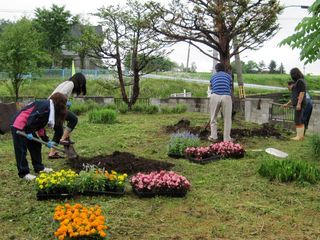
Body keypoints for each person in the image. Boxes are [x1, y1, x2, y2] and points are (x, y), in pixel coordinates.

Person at [11, 93, 67, 180]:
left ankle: (39, 167)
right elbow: (32, 117)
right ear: (58, 102)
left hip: (28, 127)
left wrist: (46, 140)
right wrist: (29, 132)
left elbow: (40, 125)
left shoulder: (49, 110)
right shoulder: (45, 105)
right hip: (19, 126)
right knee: (21, 149)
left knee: (36, 145)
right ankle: (24, 173)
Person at [48, 72, 87, 159]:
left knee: (58, 130)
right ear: (79, 81)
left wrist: (65, 106)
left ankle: (52, 153)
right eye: (81, 84)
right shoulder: (71, 84)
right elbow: (60, 95)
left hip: (51, 106)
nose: (81, 86)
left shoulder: (66, 82)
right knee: (73, 119)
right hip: (55, 107)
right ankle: (63, 139)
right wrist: (64, 105)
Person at [208, 63, 233, 142]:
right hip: (226, 96)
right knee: (227, 118)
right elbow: (230, 87)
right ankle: (227, 139)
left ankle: (214, 136)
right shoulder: (228, 76)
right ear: (224, 69)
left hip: (215, 95)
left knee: (213, 117)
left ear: (216, 69)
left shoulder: (213, 77)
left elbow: (211, 87)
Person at [283, 68, 307, 140]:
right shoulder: (297, 82)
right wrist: (287, 104)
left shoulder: (300, 81)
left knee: (297, 120)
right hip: (297, 104)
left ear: (295, 74)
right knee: (299, 119)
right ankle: (300, 136)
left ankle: (299, 136)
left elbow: (302, 93)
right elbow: (294, 96)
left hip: (299, 104)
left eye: (292, 74)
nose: (291, 76)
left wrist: (299, 104)